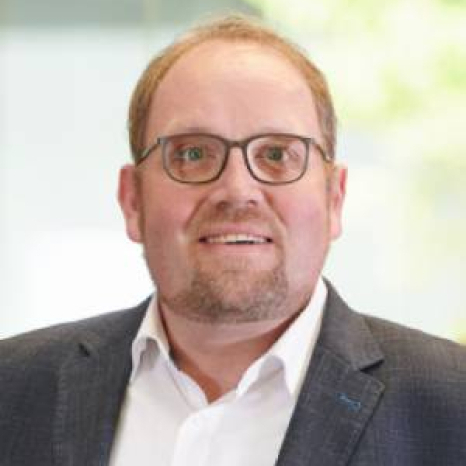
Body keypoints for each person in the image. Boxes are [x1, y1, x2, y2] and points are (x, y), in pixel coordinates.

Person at [1, 14, 465, 466]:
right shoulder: (11, 391)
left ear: (334, 199)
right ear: (133, 201)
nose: (237, 191)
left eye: (278, 154)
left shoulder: (453, 406)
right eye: (193, 154)